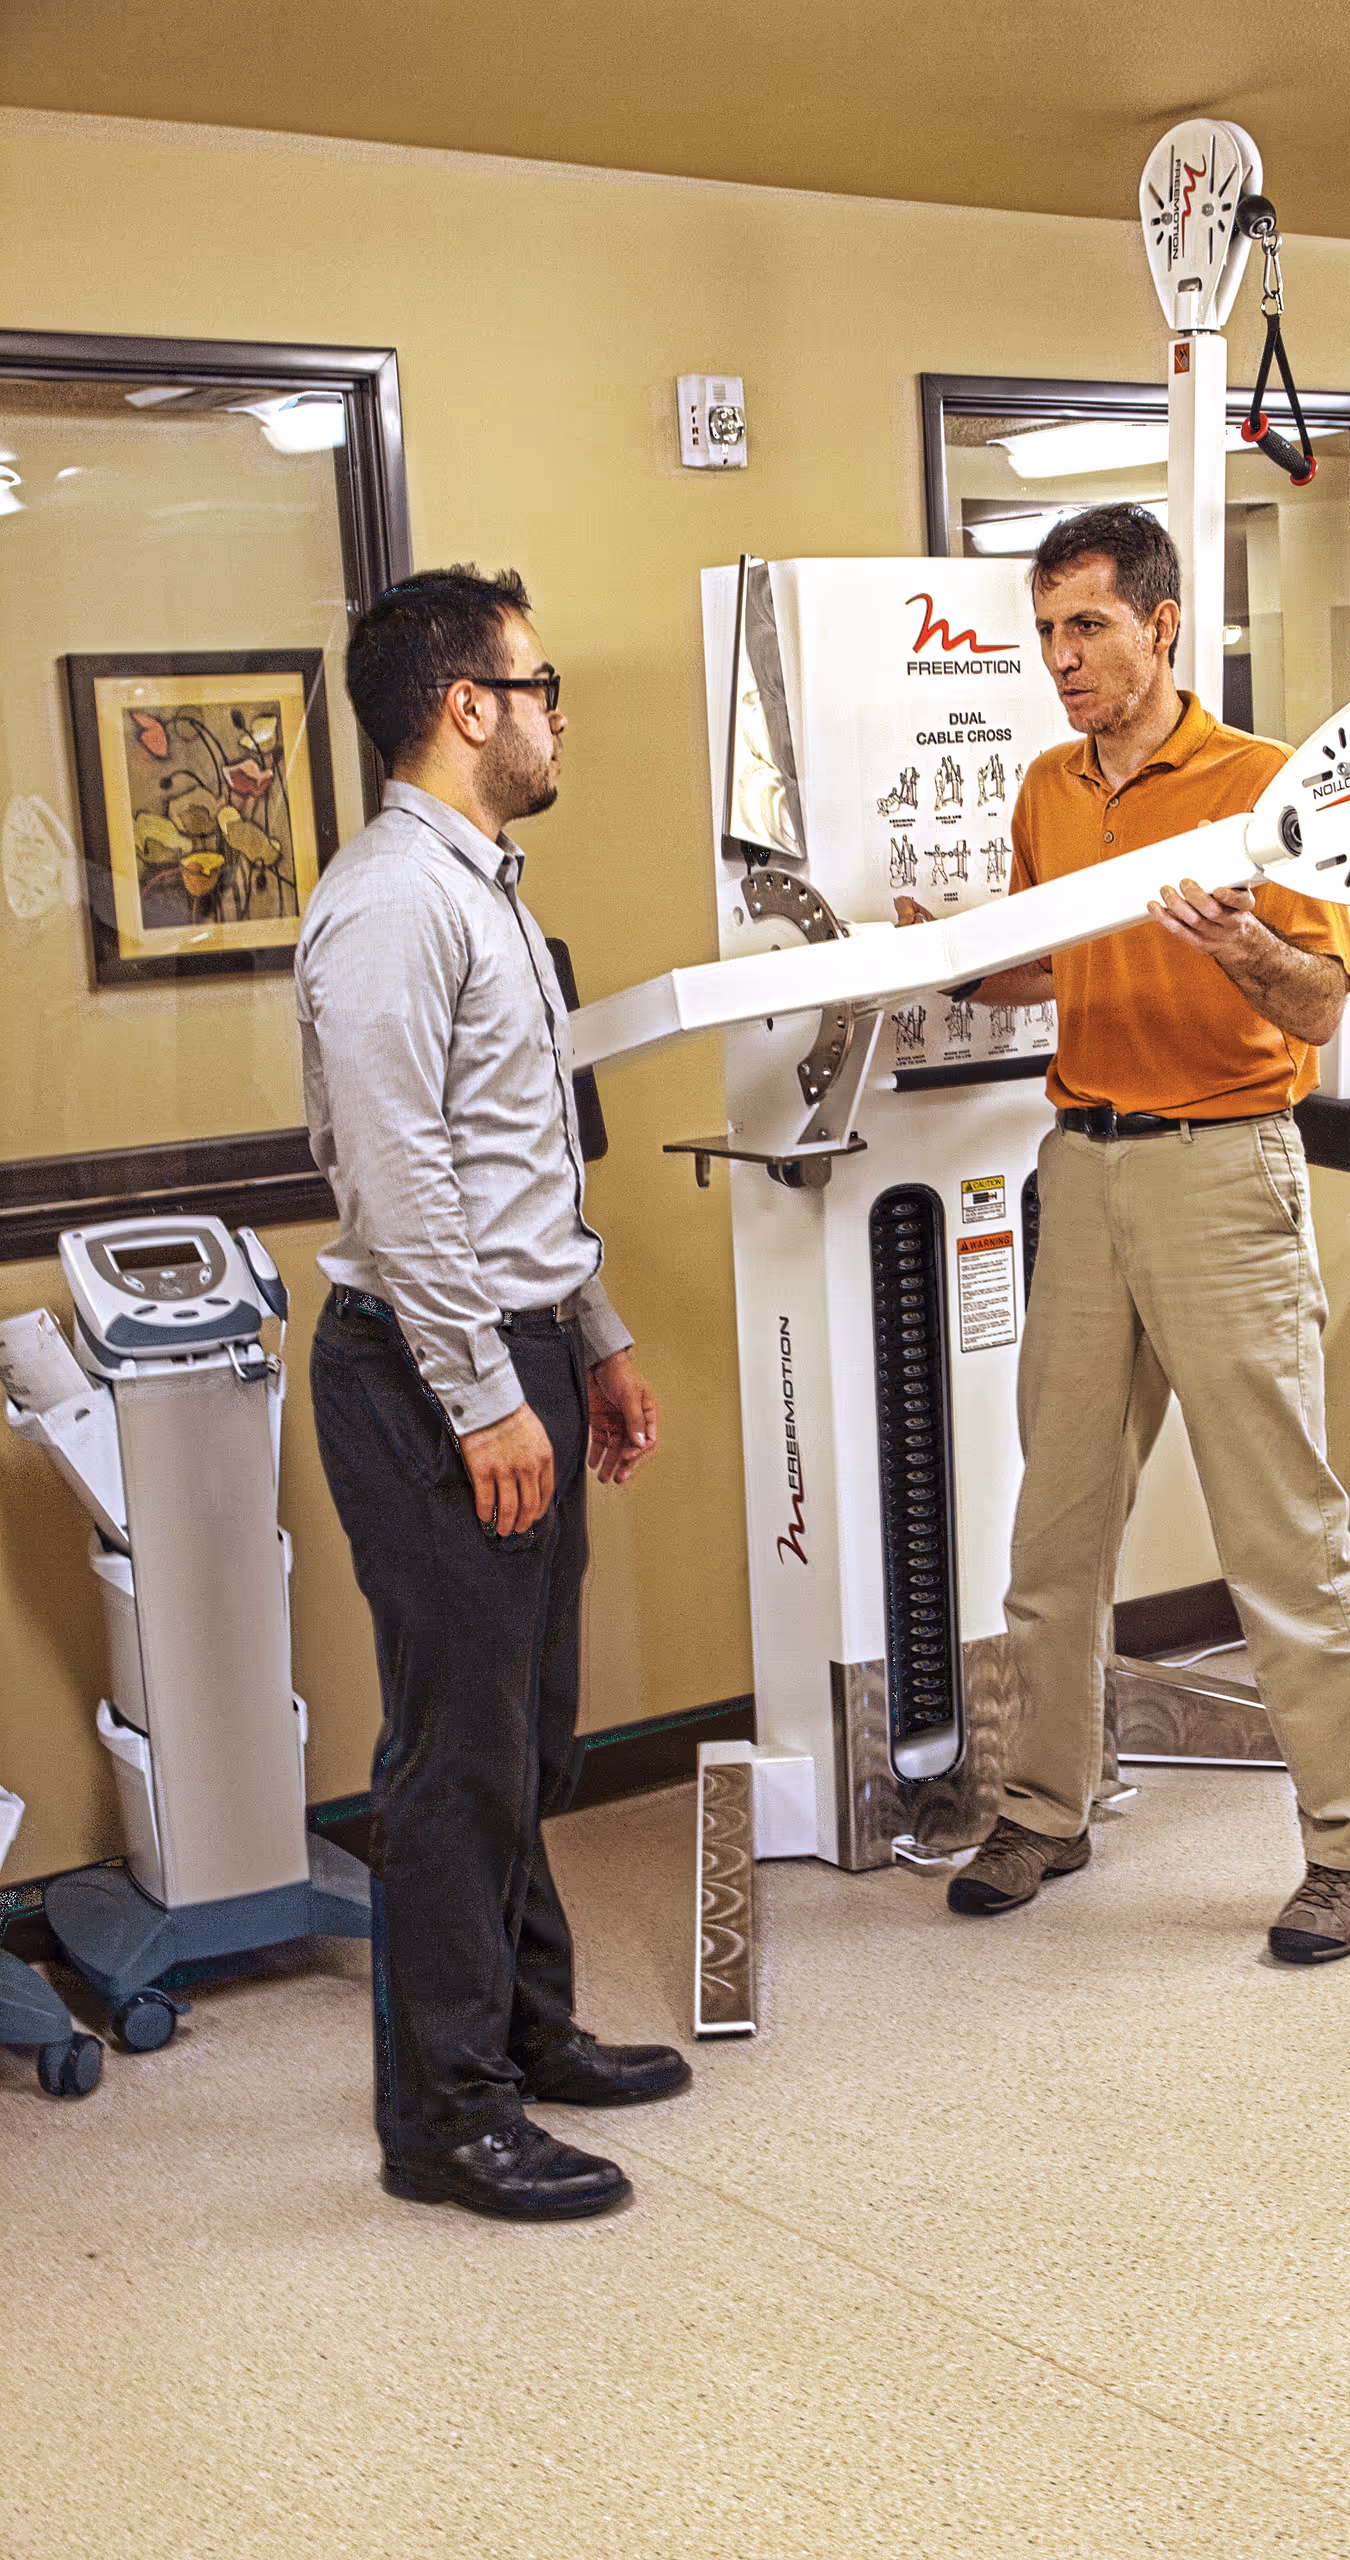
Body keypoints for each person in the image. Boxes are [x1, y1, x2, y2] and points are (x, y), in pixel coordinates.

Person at [942, 503, 1350, 1961]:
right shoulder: (1048, 788)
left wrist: (1243, 940)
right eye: (1045, 631)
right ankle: (1045, 1807)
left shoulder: (1267, 786)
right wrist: (949, 955)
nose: (1061, 658)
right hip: (1084, 1172)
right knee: (1056, 1527)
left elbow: (1319, 1001)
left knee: (1281, 1529)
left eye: (1086, 627)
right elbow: (1052, 966)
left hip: (1223, 1170)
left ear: (1163, 625)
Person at [297, 566, 688, 2221]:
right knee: (455, 1757)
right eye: (539, 688)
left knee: (529, 1734)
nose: (555, 718)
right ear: (468, 708)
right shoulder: (395, 905)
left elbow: (517, 1168)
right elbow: (399, 1188)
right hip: (426, 1362)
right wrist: (479, 1396)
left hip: (511, 1340)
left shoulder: (488, 895)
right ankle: (443, 2118)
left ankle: (526, 2031)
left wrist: (589, 1338)